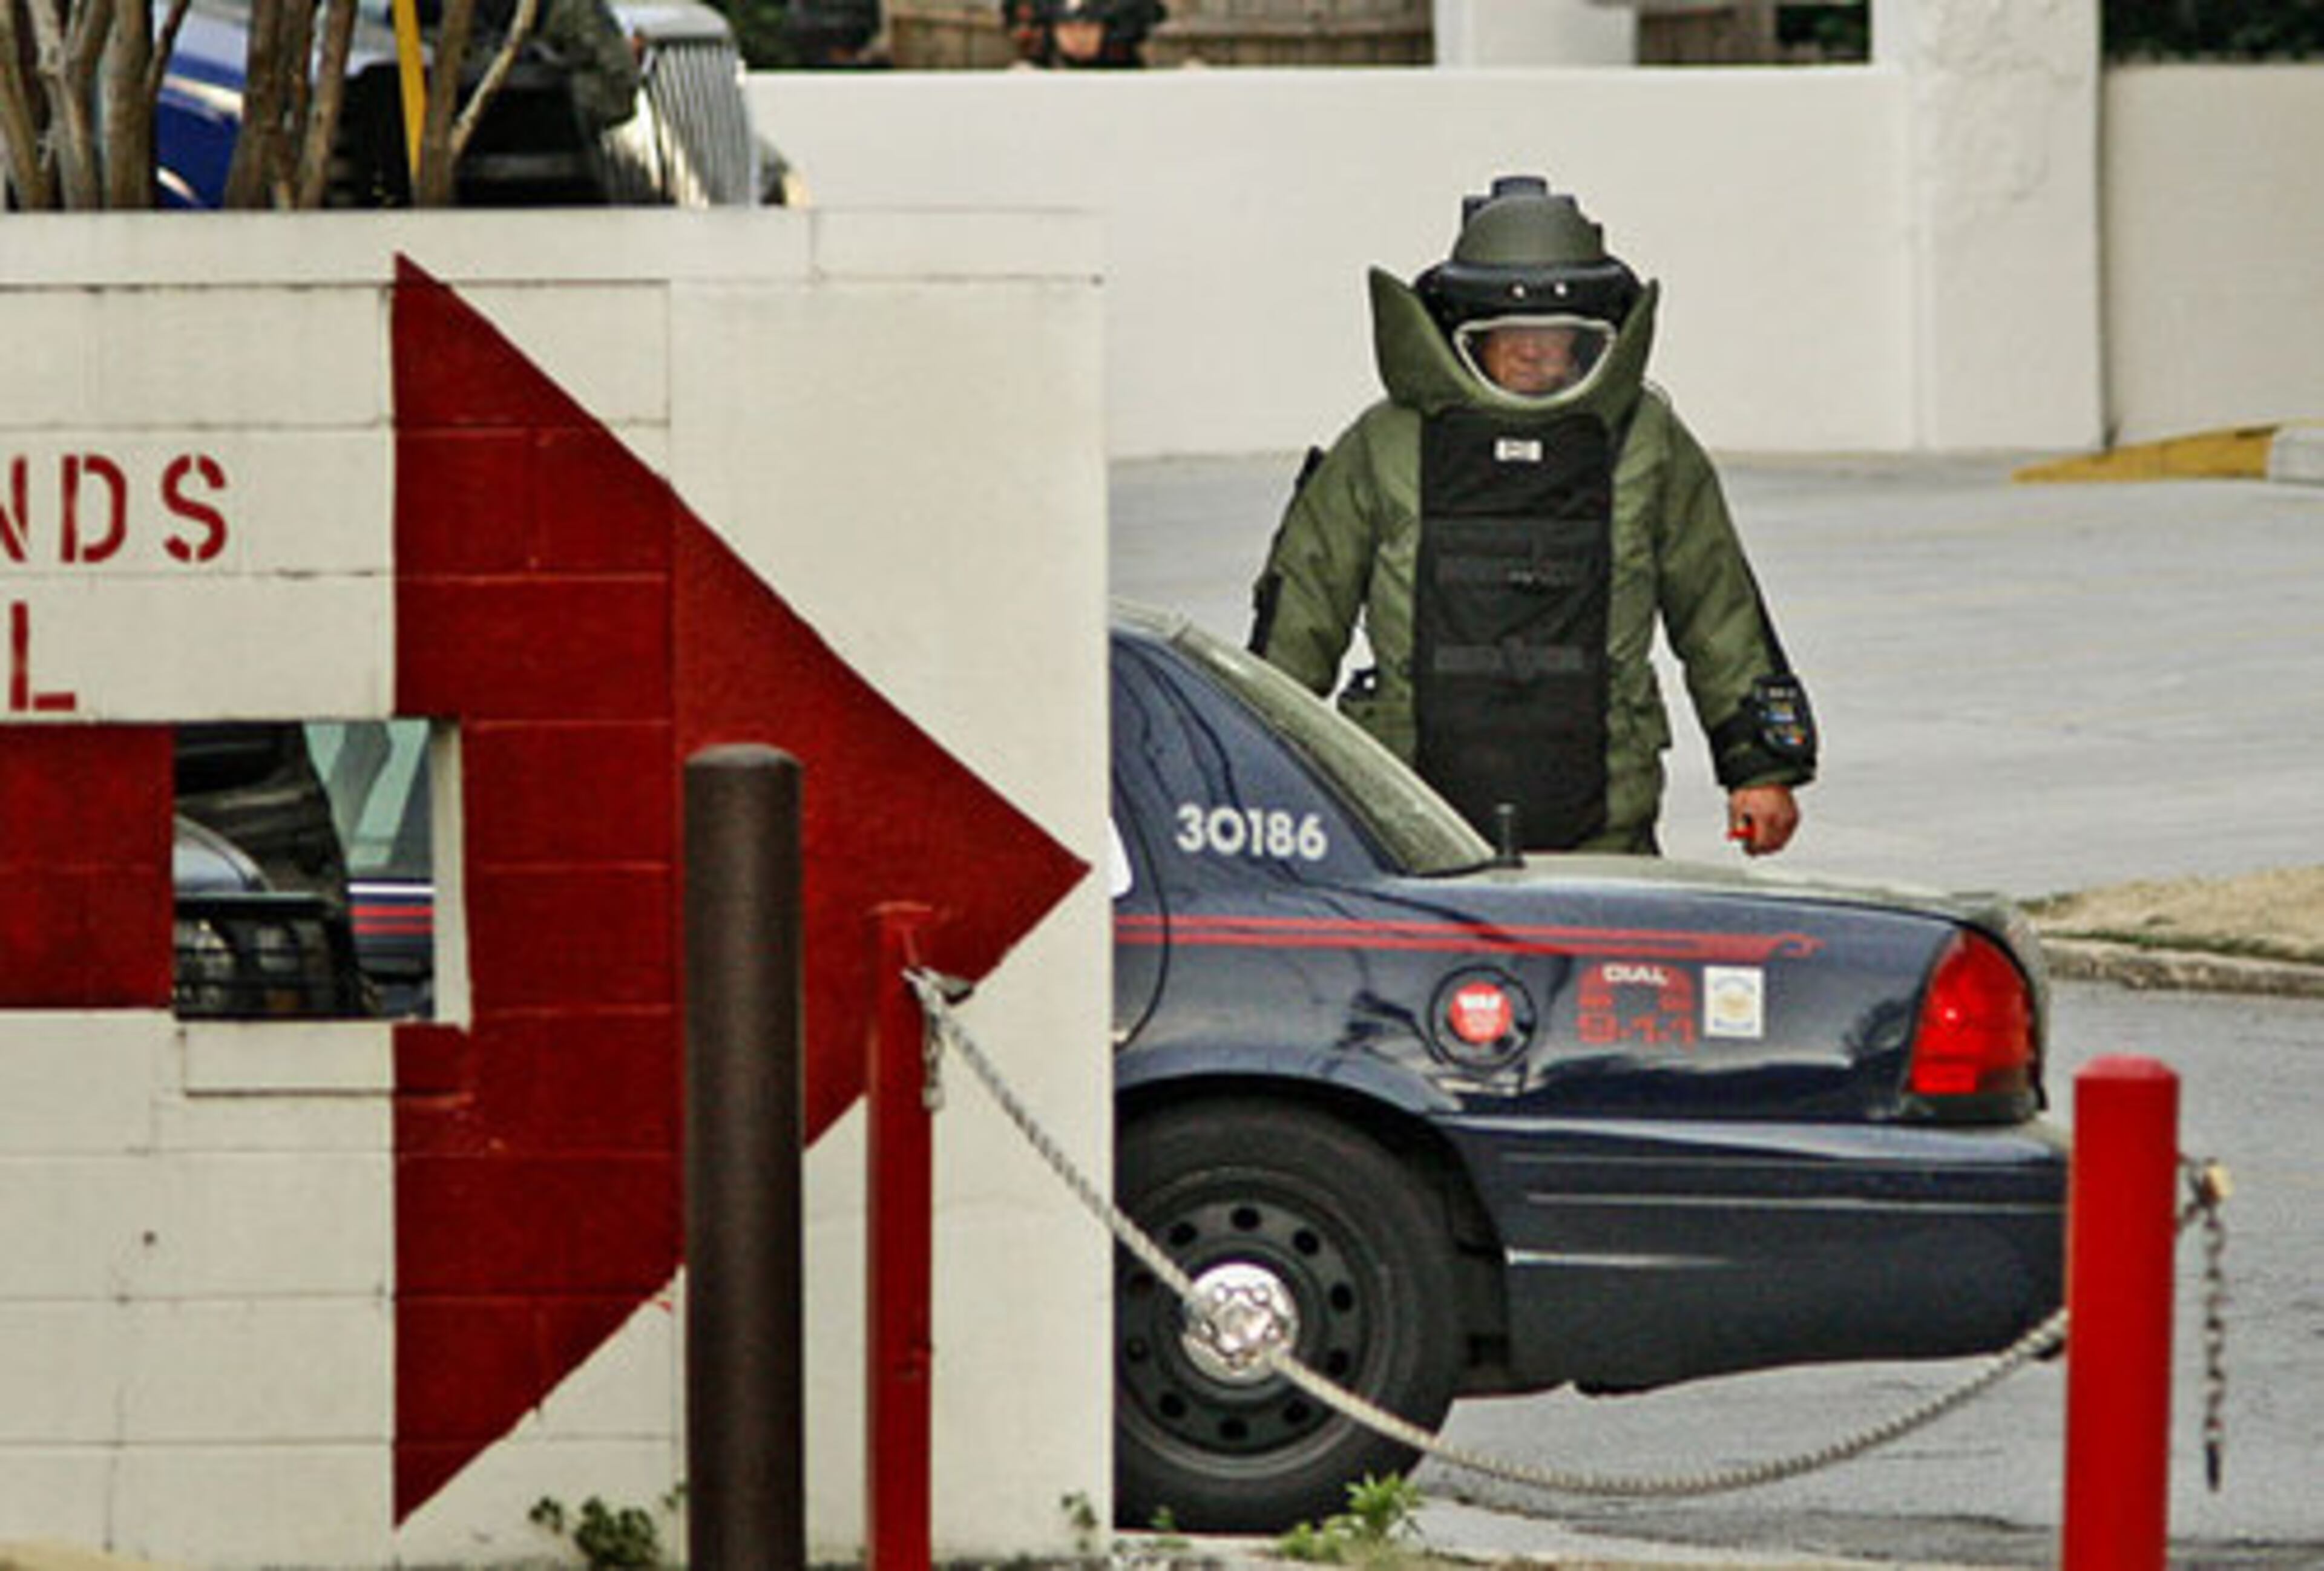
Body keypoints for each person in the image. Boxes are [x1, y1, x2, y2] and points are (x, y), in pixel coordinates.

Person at [1248, 174, 1816, 858]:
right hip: (1410, 813)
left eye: (1558, 335)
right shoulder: (1387, 442)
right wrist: (1259, 766)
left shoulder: (1646, 440)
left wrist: (1760, 769)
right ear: (1461, 330)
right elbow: (1304, 609)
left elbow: (1716, 604)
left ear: (1596, 338)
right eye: (1511, 332)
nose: (1534, 353)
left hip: (1606, 816)